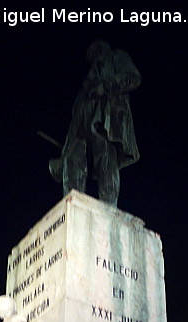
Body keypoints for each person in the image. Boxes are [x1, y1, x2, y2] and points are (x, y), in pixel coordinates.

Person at [49, 41, 140, 207]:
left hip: (104, 120)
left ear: (102, 49)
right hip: (81, 124)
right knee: (72, 159)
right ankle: (71, 204)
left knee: (105, 158)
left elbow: (133, 77)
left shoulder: (116, 57)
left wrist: (105, 87)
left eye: (94, 53)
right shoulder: (87, 82)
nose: (92, 58)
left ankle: (109, 207)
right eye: (90, 56)